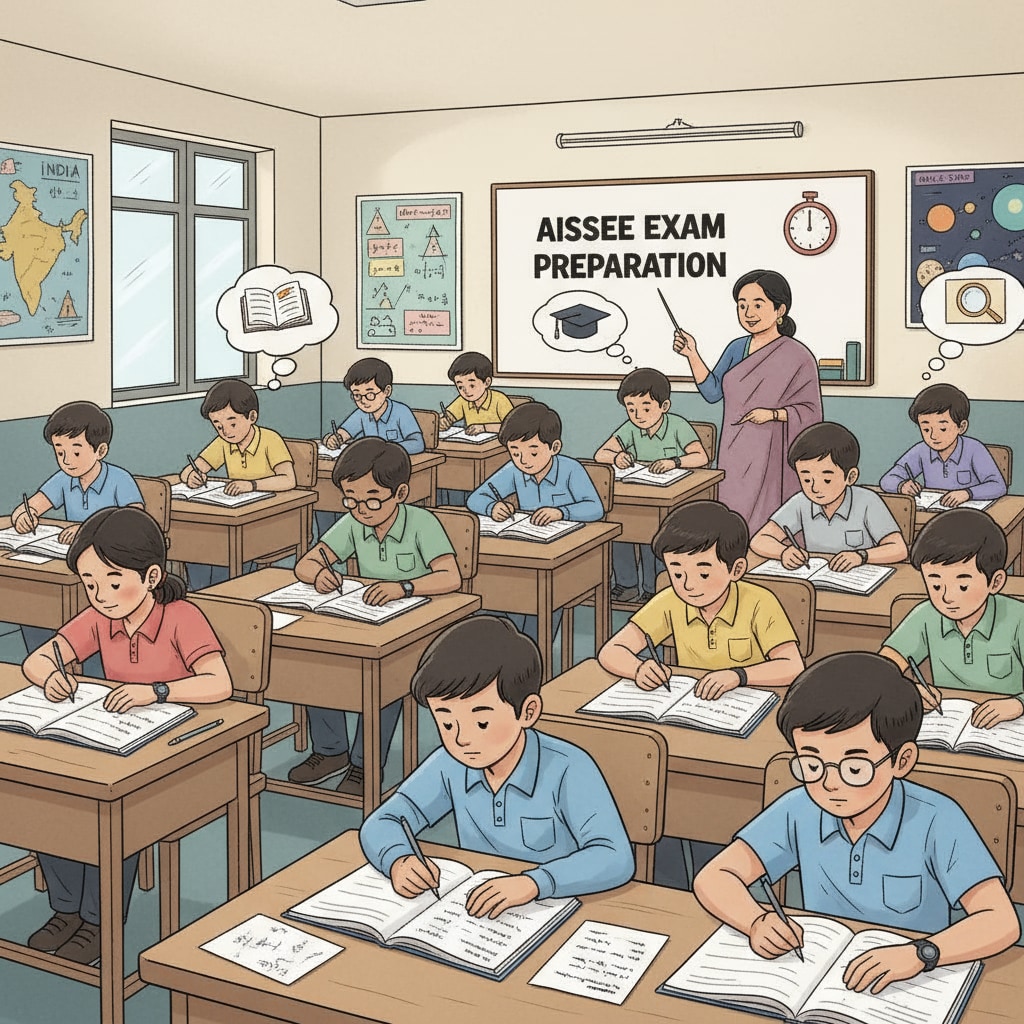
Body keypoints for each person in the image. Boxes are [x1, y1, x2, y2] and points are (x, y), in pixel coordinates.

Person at [694, 652, 1019, 992]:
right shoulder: (800, 807)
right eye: (811, 764)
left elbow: (1001, 921)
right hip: (822, 972)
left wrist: (922, 953)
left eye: (854, 769)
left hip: (911, 983)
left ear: (901, 760)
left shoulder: (938, 818)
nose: (829, 783)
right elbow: (714, 876)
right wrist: (756, 921)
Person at [21, 507, 233, 965]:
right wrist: (48, 677)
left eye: (113, 582)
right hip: (117, 742)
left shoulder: (182, 617)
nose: (101, 596)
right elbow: (37, 659)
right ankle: (66, 910)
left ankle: (99, 919)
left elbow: (219, 684)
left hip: (177, 747)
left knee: (112, 815)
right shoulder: (100, 619)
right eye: (90, 584)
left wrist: (155, 693)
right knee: (49, 796)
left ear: (151, 575)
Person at [360, 615, 634, 913]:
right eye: (447, 723)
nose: (462, 739)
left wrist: (535, 882)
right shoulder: (450, 764)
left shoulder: (569, 768)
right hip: (481, 913)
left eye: (481, 721)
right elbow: (383, 821)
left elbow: (615, 857)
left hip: (561, 907)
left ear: (527, 712)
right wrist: (399, 860)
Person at [289, 438, 462, 796]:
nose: (360, 509)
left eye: (371, 499)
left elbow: (451, 577)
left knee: (380, 682)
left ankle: (365, 764)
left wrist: (406, 588)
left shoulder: (422, 523)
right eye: (350, 499)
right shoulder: (353, 522)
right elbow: (306, 561)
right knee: (315, 663)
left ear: (399, 493)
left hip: (420, 626)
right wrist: (318, 573)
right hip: (368, 620)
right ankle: (330, 750)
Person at [599, 500, 804, 698]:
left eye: (703, 574)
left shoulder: (760, 602)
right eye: (677, 574)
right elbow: (611, 651)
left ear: (736, 569)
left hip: (747, 701)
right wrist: (638, 669)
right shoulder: (670, 601)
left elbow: (792, 665)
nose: (688, 585)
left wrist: (738, 675)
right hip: (693, 701)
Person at [672, 269, 822, 533]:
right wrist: (692, 354)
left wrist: (774, 415)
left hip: (772, 451)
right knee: (731, 519)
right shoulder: (736, 348)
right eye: (742, 306)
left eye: (757, 304)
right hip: (734, 451)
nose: (748, 313)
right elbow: (712, 392)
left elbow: (811, 413)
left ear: (780, 309)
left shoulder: (798, 356)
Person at [12, 400, 144, 675]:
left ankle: (91, 668)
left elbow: (135, 523)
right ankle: (48, 669)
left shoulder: (120, 479)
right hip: (64, 566)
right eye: (60, 453)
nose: (67, 460)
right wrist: (23, 516)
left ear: (100, 450)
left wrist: (87, 531)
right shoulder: (63, 479)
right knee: (31, 604)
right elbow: (32, 505)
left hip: (108, 569)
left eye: (76, 451)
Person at [467, 401, 603, 644]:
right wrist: (494, 506)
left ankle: (532, 652)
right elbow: (476, 497)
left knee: (538, 607)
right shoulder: (514, 470)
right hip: (525, 550)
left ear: (554, 447)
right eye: (515, 452)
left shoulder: (571, 470)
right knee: (494, 597)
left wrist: (561, 512)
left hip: (564, 559)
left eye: (532, 451)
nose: (523, 460)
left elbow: (595, 508)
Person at [880, 508, 1024, 726]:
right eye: (936, 584)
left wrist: (1018, 704)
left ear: (995, 582)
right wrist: (906, 690)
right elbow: (881, 668)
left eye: (963, 585)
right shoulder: (926, 615)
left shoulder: (1018, 618)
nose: (946, 597)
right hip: (948, 724)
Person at [594, 366, 709, 602]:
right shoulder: (630, 429)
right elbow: (600, 454)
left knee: (653, 537)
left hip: (670, 500)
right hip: (638, 494)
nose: (638, 415)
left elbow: (701, 457)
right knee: (620, 528)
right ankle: (627, 584)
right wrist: (616, 457)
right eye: (631, 408)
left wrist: (675, 462)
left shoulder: (677, 425)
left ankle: (652, 587)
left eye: (646, 407)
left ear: (664, 406)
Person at [177, 378, 296, 589]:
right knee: (195, 547)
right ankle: (201, 595)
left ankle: (223, 595)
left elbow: (288, 479)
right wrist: (191, 476)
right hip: (234, 518)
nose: (226, 431)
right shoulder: (223, 443)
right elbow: (192, 468)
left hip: (267, 519)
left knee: (225, 551)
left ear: (252, 417)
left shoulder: (270, 440)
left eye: (232, 423)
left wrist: (252, 485)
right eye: (218, 425)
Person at [750, 421, 908, 571]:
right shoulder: (801, 502)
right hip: (815, 580)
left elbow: (899, 549)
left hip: (859, 581)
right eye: (806, 479)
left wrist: (862, 556)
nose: (814, 488)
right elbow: (760, 539)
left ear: (850, 477)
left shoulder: (868, 501)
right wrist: (784, 552)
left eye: (826, 479)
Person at [318, 357, 424, 537]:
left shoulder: (401, 412)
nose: (363, 401)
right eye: (356, 395)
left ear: (387, 391)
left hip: (389, 473)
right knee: (325, 494)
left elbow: (418, 443)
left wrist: (389, 451)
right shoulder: (361, 414)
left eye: (369, 394)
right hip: (364, 473)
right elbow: (343, 434)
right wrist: (333, 439)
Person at [879, 383, 1007, 506]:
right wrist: (901, 485)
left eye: (943, 429)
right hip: (933, 514)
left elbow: (998, 486)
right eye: (926, 429)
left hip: (968, 516)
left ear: (961, 427)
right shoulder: (921, 450)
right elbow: (887, 479)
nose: (933, 436)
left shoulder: (974, 449)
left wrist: (968, 493)